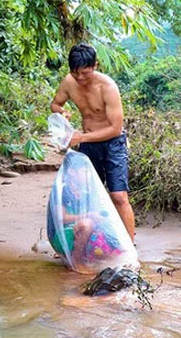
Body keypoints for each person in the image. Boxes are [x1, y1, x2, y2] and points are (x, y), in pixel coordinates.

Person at [50, 43, 135, 242]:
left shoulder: (108, 87)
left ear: (95, 65)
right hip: (88, 145)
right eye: (75, 73)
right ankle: (87, 243)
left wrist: (81, 138)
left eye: (85, 73)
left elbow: (115, 128)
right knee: (87, 197)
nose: (80, 78)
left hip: (113, 145)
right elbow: (55, 103)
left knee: (119, 196)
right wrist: (62, 112)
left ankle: (130, 247)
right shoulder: (69, 82)